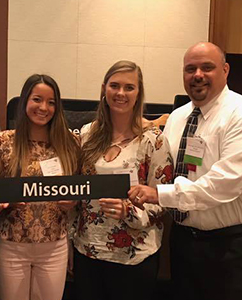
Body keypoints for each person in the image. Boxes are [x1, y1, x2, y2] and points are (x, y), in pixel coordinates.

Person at [129, 42, 242, 300]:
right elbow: (162, 168)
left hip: (235, 249)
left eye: (207, 67)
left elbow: (224, 184)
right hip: (185, 245)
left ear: (225, 70)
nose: (197, 75)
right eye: (190, 69)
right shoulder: (177, 118)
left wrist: (157, 194)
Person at [72, 60, 173, 300]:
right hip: (88, 251)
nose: (120, 93)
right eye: (114, 86)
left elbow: (164, 199)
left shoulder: (154, 140)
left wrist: (128, 211)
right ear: (104, 89)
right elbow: (75, 188)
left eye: (129, 87)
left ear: (139, 93)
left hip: (135, 256)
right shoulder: (86, 135)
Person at [0, 74, 80, 300]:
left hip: (54, 245)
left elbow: (79, 190)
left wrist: (73, 201)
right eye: (37, 99)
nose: (44, 107)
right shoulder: (3, 142)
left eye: (51, 102)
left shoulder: (71, 143)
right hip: (11, 244)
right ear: (25, 100)